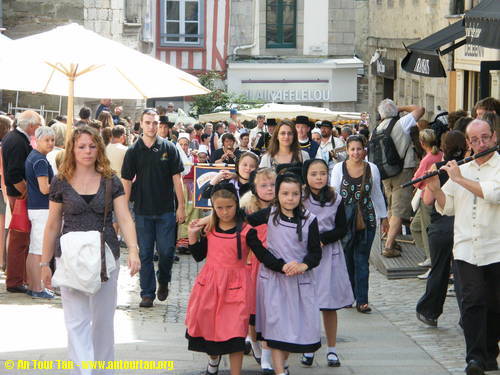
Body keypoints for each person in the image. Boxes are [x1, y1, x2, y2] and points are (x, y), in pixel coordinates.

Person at [40, 126, 140, 374]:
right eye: (81, 146)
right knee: (76, 322)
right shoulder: (60, 181)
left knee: (103, 322)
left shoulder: (111, 180)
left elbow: (125, 218)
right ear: (72, 149)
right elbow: (52, 224)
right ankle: (82, 371)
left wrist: (135, 252)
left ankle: (102, 371)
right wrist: (45, 263)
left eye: (92, 146)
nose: (87, 151)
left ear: (99, 148)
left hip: (105, 257)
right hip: (70, 258)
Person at [426, 119, 499, 375]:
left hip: (495, 249)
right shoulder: (464, 169)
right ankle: (475, 359)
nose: (482, 143)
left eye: (485, 137)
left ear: (494, 137)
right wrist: (436, 189)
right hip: (466, 249)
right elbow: (448, 206)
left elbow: (492, 193)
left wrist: (457, 178)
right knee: (472, 301)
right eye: (476, 139)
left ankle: (490, 353)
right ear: (468, 143)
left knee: (493, 304)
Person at [246, 173, 322, 375]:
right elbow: (244, 226)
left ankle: (283, 364)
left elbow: (316, 253)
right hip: (273, 281)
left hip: (300, 283)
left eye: (295, 194)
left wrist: (303, 265)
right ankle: (280, 371)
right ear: (277, 194)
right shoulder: (268, 214)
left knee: (292, 332)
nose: (290, 198)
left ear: (301, 195)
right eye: (285, 193)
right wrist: (274, 262)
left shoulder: (310, 220)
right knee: (276, 330)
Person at [121, 108, 185, 308]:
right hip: (142, 210)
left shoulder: (169, 148)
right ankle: (147, 293)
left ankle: (163, 280)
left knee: (166, 252)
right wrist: (123, 210)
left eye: (155, 122)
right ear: (140, 124)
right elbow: (126, 182)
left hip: (166, 209)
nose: (151, 126)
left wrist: (181, 206)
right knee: (145, 254)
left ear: (159, 125)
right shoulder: (133, 151)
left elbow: (178, 179)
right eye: (148, 122)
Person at [186, 183, 252, 375]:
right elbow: (199, 256)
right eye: (219, 208)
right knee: (210, 328)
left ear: (236, 205)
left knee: (236, 333)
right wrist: (192, 236)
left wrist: (282, 266)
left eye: (229, 207)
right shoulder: (210, 229)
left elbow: (263, 255)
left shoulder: (246, 229)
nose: (224, 212)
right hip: (210, 287)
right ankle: (213, 362)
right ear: (213, 208)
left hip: (237, 287)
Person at [301, 159, 352, 368]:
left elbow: (342, 227)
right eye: (314, 174)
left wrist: (324, 239)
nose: (319, 177)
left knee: (329, 305)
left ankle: (332, 349)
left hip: (329, 253)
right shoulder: (300, 197)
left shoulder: (336, 198)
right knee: (307, 304)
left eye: (322, 173)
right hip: (306, 254)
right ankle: (307, 346)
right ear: (306, 176)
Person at [330, 135, 388, 313]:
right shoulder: (339, 168)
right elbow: (334, 194)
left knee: (362, 258)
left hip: (366, 218)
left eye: (359, 149)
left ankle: (362, 299)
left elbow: (377, 193)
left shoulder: (372, 168)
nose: (356, 152)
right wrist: (331, 220)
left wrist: (384, 217)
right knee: (347, 258)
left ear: (364, 150)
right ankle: (348, 296)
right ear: (347, 150)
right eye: (352, 149)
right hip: (345, 219)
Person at [416, 130, 467, 327]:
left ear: (443, 148)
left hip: (441, 226)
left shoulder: (438, 168)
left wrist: (433, 186)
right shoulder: (468, 168)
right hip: (462, 225)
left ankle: (430, 312)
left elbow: (428, 201)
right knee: (463, 273)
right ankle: (467, 317)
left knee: (439, 270)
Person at [375, 99, 425, 257]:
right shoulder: (402, 123)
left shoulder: (376, 129)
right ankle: (389, 246)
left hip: (385, 173)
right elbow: (420, 108)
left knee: (391, 206)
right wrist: (401, 108)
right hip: (402, 170)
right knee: (398, 209)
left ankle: (392, 240)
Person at [239, 168, 277, 373]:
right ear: (255, 188)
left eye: (272, 185)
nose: (269, 189)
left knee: (271, 311)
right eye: (264, 185)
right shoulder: (247, 210)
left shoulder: (284, 206)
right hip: (253, 265)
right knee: (253, 312)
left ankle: (267, 355)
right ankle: (254, 344)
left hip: (276, 267)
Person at [2, 110, 42, 293]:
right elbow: (13, 173)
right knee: (20, 238)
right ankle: (16, 280)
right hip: (18, 196)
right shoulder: (17, 140)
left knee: (20, 238)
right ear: (31, 125)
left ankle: (18, 278)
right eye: (38, 125)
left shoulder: (15, 137)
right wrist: (26, 192)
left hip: (16, 194)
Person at [25, 127, 55, 299]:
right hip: (42, 208)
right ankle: (37, 288)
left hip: (35, 207)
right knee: (38, 250)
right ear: (37, 140)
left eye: (52, 140)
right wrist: (60, 187)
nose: (50, 143)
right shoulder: (40, 160)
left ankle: (33, 285)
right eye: (47, 140)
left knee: (34, 249)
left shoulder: (34, 156)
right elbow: (45, 188)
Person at [410, 128, 443, 274]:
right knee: (416, 226)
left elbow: (416, 181)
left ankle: (431, 258)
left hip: (427, 197)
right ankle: (431, 256)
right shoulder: (441, 154)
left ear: (422, 143)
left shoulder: (427, 159)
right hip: (438, 195)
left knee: (425, 229)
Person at [0, 115, 12, 272]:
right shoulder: (3, 147)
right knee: (2, 228)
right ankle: (1, 261)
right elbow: (3, 173)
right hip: (2, 191)